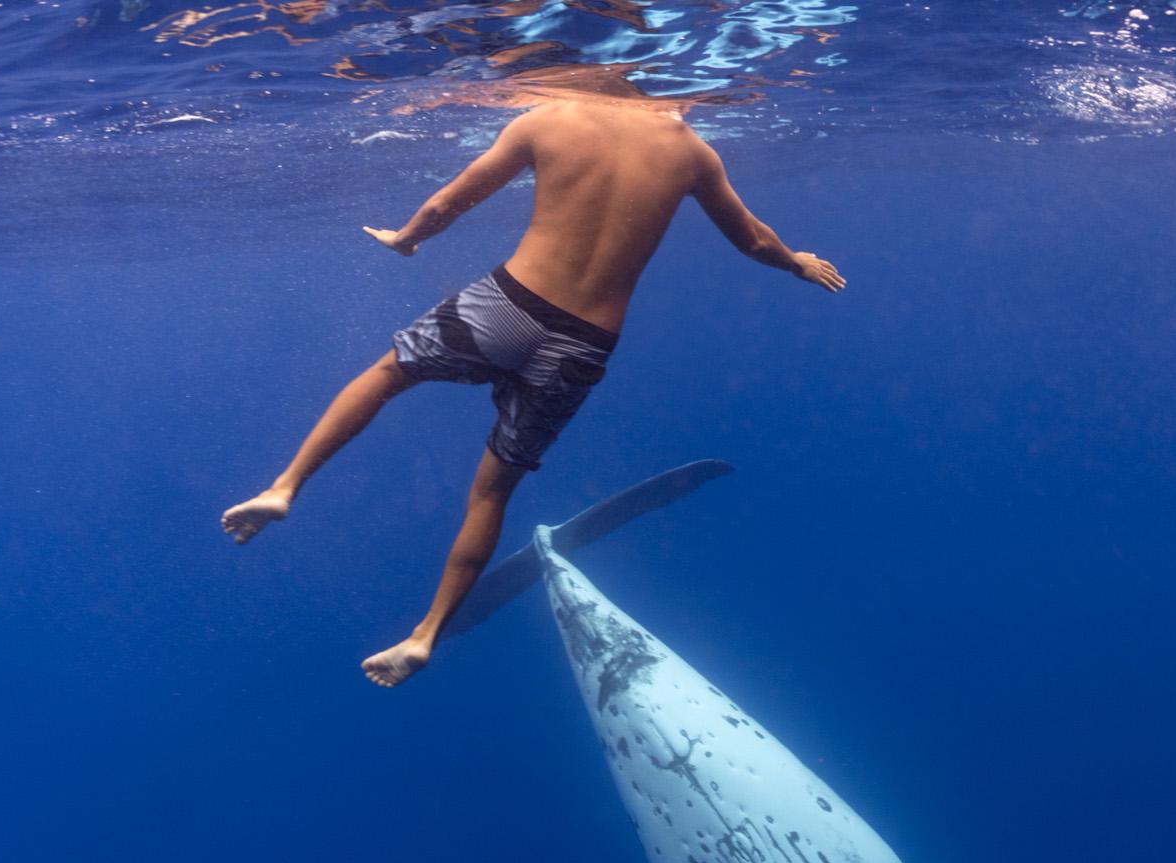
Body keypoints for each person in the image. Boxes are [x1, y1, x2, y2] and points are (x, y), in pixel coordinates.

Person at [221, 87, 845, 687]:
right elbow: (754, 238)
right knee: (493, 492)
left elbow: (447, 205)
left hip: (507, 304)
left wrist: (406, 238)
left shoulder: (552, 118)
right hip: (583, 342)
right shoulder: (691, 152)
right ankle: (425, 635)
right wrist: (797, 263)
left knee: (387, 376)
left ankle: (283, 488)